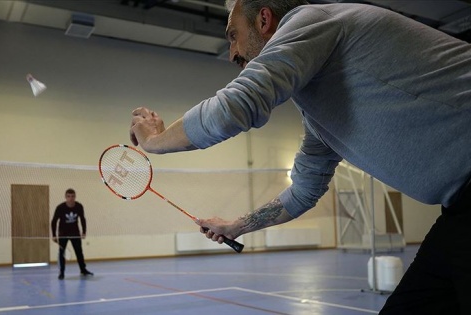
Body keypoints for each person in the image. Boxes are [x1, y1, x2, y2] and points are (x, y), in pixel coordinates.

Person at [129, 0, 471, 314]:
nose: (231, 52)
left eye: (234, 35)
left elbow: (235, 106)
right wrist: (235, 226)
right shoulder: (319, 110)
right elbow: (305, 189)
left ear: (264, 20)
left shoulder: (312, 20)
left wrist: (155, 141)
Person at [51, 188, 93, 280]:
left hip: (75, 233)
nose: (71, 198)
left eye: (72, 196)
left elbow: (82, 219)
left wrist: (84, 232)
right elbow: (54, 221)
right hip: (63, 234)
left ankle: (83, 270)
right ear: (65, 197)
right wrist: (54, 235)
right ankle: (61, 272)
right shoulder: (60, 207)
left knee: (79, 253)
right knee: (62, 253)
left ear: (75, 197)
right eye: (68, 196)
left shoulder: (79, 206)